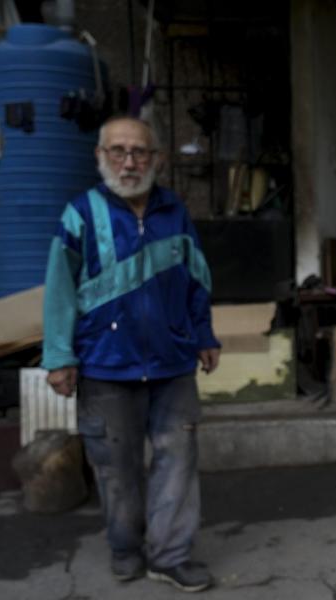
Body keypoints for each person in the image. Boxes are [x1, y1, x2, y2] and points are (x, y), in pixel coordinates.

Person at [42, 116, 221, 593]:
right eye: (117, 150)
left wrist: (204, 334)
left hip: (172, 362)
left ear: (157, 159)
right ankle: (125, 547)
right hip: (105, 364)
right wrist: (59, 355)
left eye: (140, 151)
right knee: (115, 467)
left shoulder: (174, 211)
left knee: (177, 462)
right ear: (100, 157)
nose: (129, 161)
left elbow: (196, 278)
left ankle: (170, 555)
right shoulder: (79, 213)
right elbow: (59, 289)